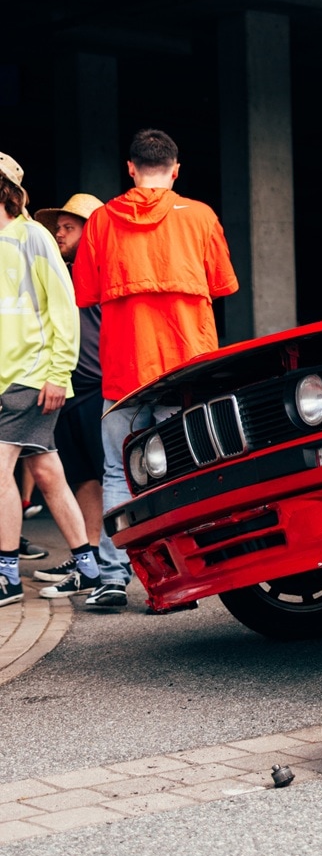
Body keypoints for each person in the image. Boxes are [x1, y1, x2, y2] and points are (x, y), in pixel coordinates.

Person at [72, 128, 238, 611]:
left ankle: (110, 578)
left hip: (124, 371)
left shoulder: (101, 221)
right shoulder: (200, 217)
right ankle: (178, 578)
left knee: (116, 472)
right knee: (179, 473)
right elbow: (222, 284)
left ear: (130, 168)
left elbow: (85, 293)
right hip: (184, 370)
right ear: (176, 169)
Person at [0, 153, 117, 608]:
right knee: (47, 472)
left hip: (31, 376)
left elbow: (62, 308)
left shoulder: (34, 237)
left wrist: (56, 372)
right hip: (9, 380)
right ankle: (88, 566)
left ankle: (7, 577)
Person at [31, 193, 130, 601]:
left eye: (68, 228)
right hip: (67, 388)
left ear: (92, 232)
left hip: (101, 387)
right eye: (58, 228)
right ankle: (88, 554)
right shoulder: (63, 271)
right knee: (84, 477)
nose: (59, 234)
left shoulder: (111, 269)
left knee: (112, 476)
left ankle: (118, 564)